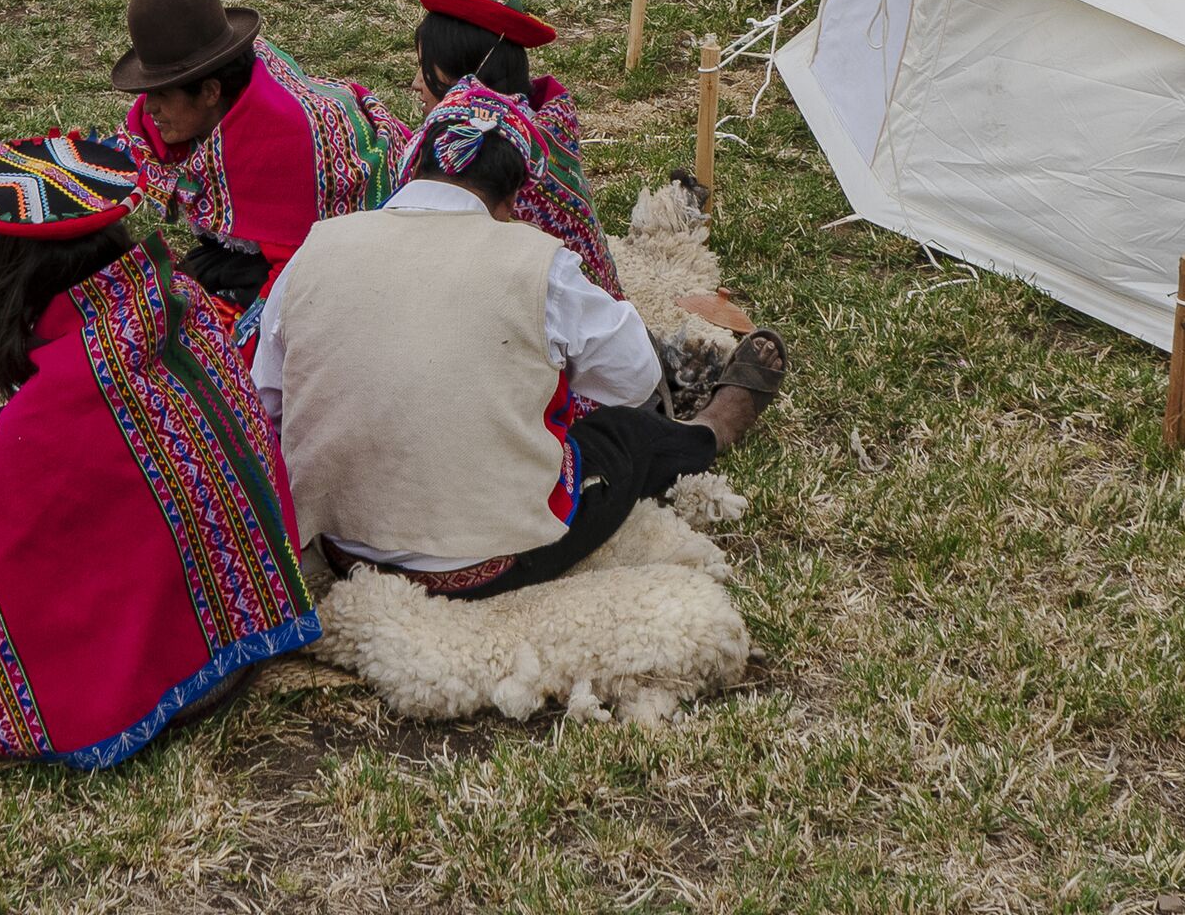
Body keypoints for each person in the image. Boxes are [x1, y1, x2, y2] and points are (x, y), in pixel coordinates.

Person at [0, 131, 318, 766]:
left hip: (159, 663)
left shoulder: (74, 382)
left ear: (10, 273)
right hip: (245, 623)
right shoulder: (174, 305)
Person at [252, 80, 786, 598]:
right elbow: (637, 376)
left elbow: (268, 403)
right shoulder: (537, 264)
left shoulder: (316, 249)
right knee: (626, 433)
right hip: (491, 557)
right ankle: (711, 430)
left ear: (415, 166)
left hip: (344, 549)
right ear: (511, 198)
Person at [112, 0, 411, 309]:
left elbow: (294, 274)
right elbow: (115, 160)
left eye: (161, 94)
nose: (148, 107)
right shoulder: (180, 108)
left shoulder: (282, 146)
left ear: (210, 91)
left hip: (328, 262)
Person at [404, 0, 621, 297]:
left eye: (426, 67)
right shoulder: (517, 134)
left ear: (466, 74)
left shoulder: (502, 161)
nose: (415, 83)